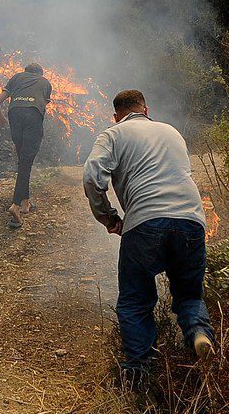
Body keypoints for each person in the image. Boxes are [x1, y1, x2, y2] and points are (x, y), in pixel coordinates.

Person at [83, 89, 215, 381]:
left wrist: (108, 217)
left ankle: (140, 370)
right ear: (146, 108)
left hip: (145, 222)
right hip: (191, 221)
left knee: (135, 300)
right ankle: (199, 333)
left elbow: (93, 177)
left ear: (117, 115)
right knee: (190, 293)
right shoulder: (171, 131)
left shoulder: (114, 134)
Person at [0, 62, 52, 229]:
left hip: (14, 113)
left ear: (25, 72)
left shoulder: (16, 78)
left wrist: (1, 119)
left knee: (23, 162)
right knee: (26, 162)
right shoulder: (45, 83)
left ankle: (25, 203)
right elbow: (42, 105)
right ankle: (15, 206)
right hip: (33, 114)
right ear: (40, 74)